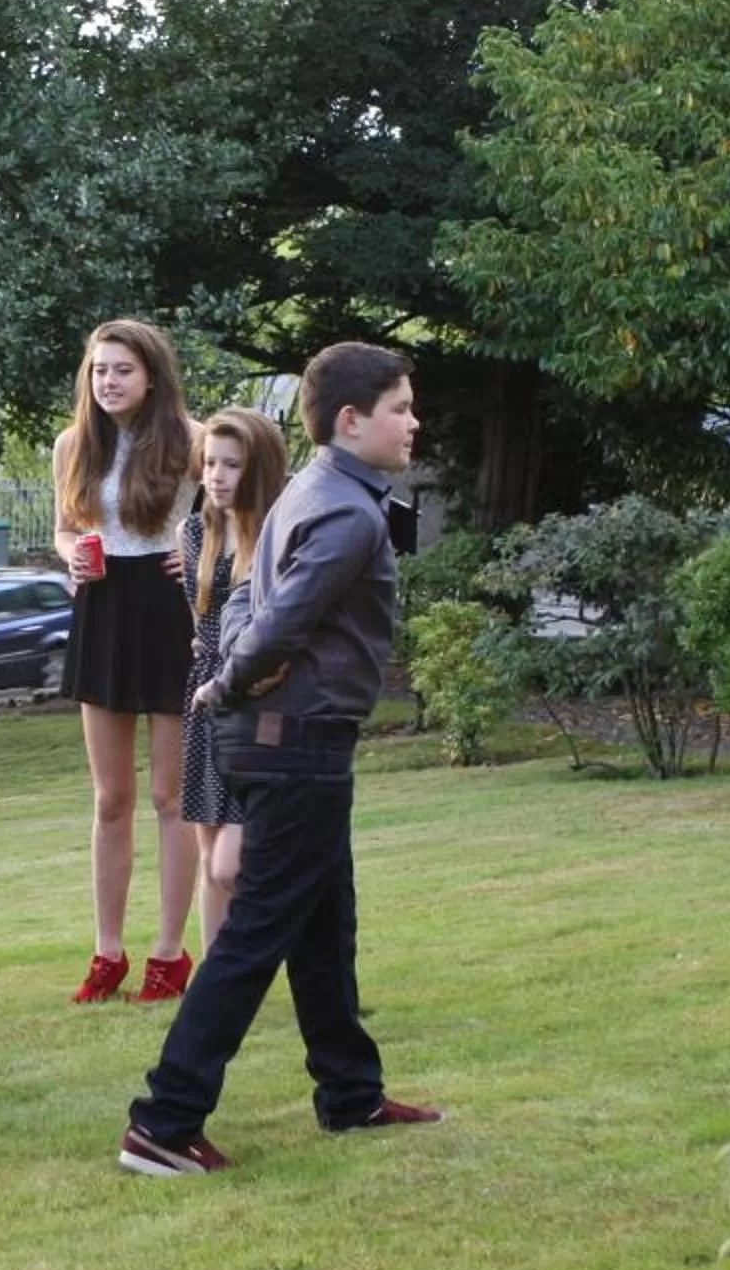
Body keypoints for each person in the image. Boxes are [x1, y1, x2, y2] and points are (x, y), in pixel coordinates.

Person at [119, 342, 444, 1176]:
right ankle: (164, 1122)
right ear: (351, 420)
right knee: (256, 934)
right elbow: (279, 620)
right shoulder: (346, 513)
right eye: (401, 409)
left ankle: (351, 1093)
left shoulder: (312, 490)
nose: (413, 423)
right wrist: (225, 683)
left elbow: (240, 602)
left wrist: (227, 681)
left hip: (292, 740)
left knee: (326, 926)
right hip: (293, 741)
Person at [53, 317, 205, 1004]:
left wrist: (197, 545)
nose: (108, 381)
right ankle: (107, 951)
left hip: (171, 611)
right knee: (110, 799)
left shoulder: (193, 440)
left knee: (171, 797)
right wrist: (72, 554)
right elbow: (64, 529)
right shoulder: (72, 445)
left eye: (122, 370)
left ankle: (169, 954)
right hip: (103, 607)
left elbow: (241, 513)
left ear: (151, 376)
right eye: (99, 370)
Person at [178, 406, 290, 951]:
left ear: (258, 469)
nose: (216, 476)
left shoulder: (279, 536)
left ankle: (262, 958)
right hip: (206, 697)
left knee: (233, 863)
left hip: (261, 700)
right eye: (209, 463)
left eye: (231, 465)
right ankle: (216, 981)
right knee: (209, 858)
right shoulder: (193, 533)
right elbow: (198, 622)